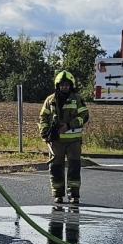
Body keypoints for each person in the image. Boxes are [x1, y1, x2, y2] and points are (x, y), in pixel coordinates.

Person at [38, 70, 89, 205]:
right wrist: (44, 131)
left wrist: (69, 125)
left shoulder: (77, 99)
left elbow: (84, 116)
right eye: (62, 85)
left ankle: (74, 195)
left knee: (74, 167)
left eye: (67, 85)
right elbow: (43, 117)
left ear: (71, 85)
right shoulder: (50, 100)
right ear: (57, 85)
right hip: (56, 141)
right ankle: (58, 195)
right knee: (55, 168)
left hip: (73, 141)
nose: (64, 87)